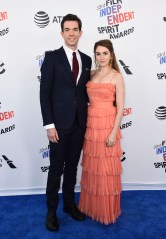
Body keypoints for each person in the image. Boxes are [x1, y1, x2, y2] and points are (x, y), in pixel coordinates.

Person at [40, 13, 92, 231]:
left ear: (81, 32)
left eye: (75, 29)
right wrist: (49, 125)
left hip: (80, 124)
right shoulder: (51, 57)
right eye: (67, 30)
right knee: (55, 169)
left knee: (72, 168)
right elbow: (44, 94)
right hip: (58, 127)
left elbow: (85, 93)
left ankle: (69, 205)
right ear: (62, 33)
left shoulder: (87, 60)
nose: (72, 33)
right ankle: (51, 212)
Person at [78, 39, 125, 225]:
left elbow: (120, 108)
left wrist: (113, 133)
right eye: (98, 53)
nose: (101, 57)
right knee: (93, 168)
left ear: (111, 54)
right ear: (95, 55)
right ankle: (92, 207)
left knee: (105, 170)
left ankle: (106, 210)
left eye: (105, 53)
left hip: (107, 125)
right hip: (91, 124)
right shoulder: (91, 74)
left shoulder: (116, 77)